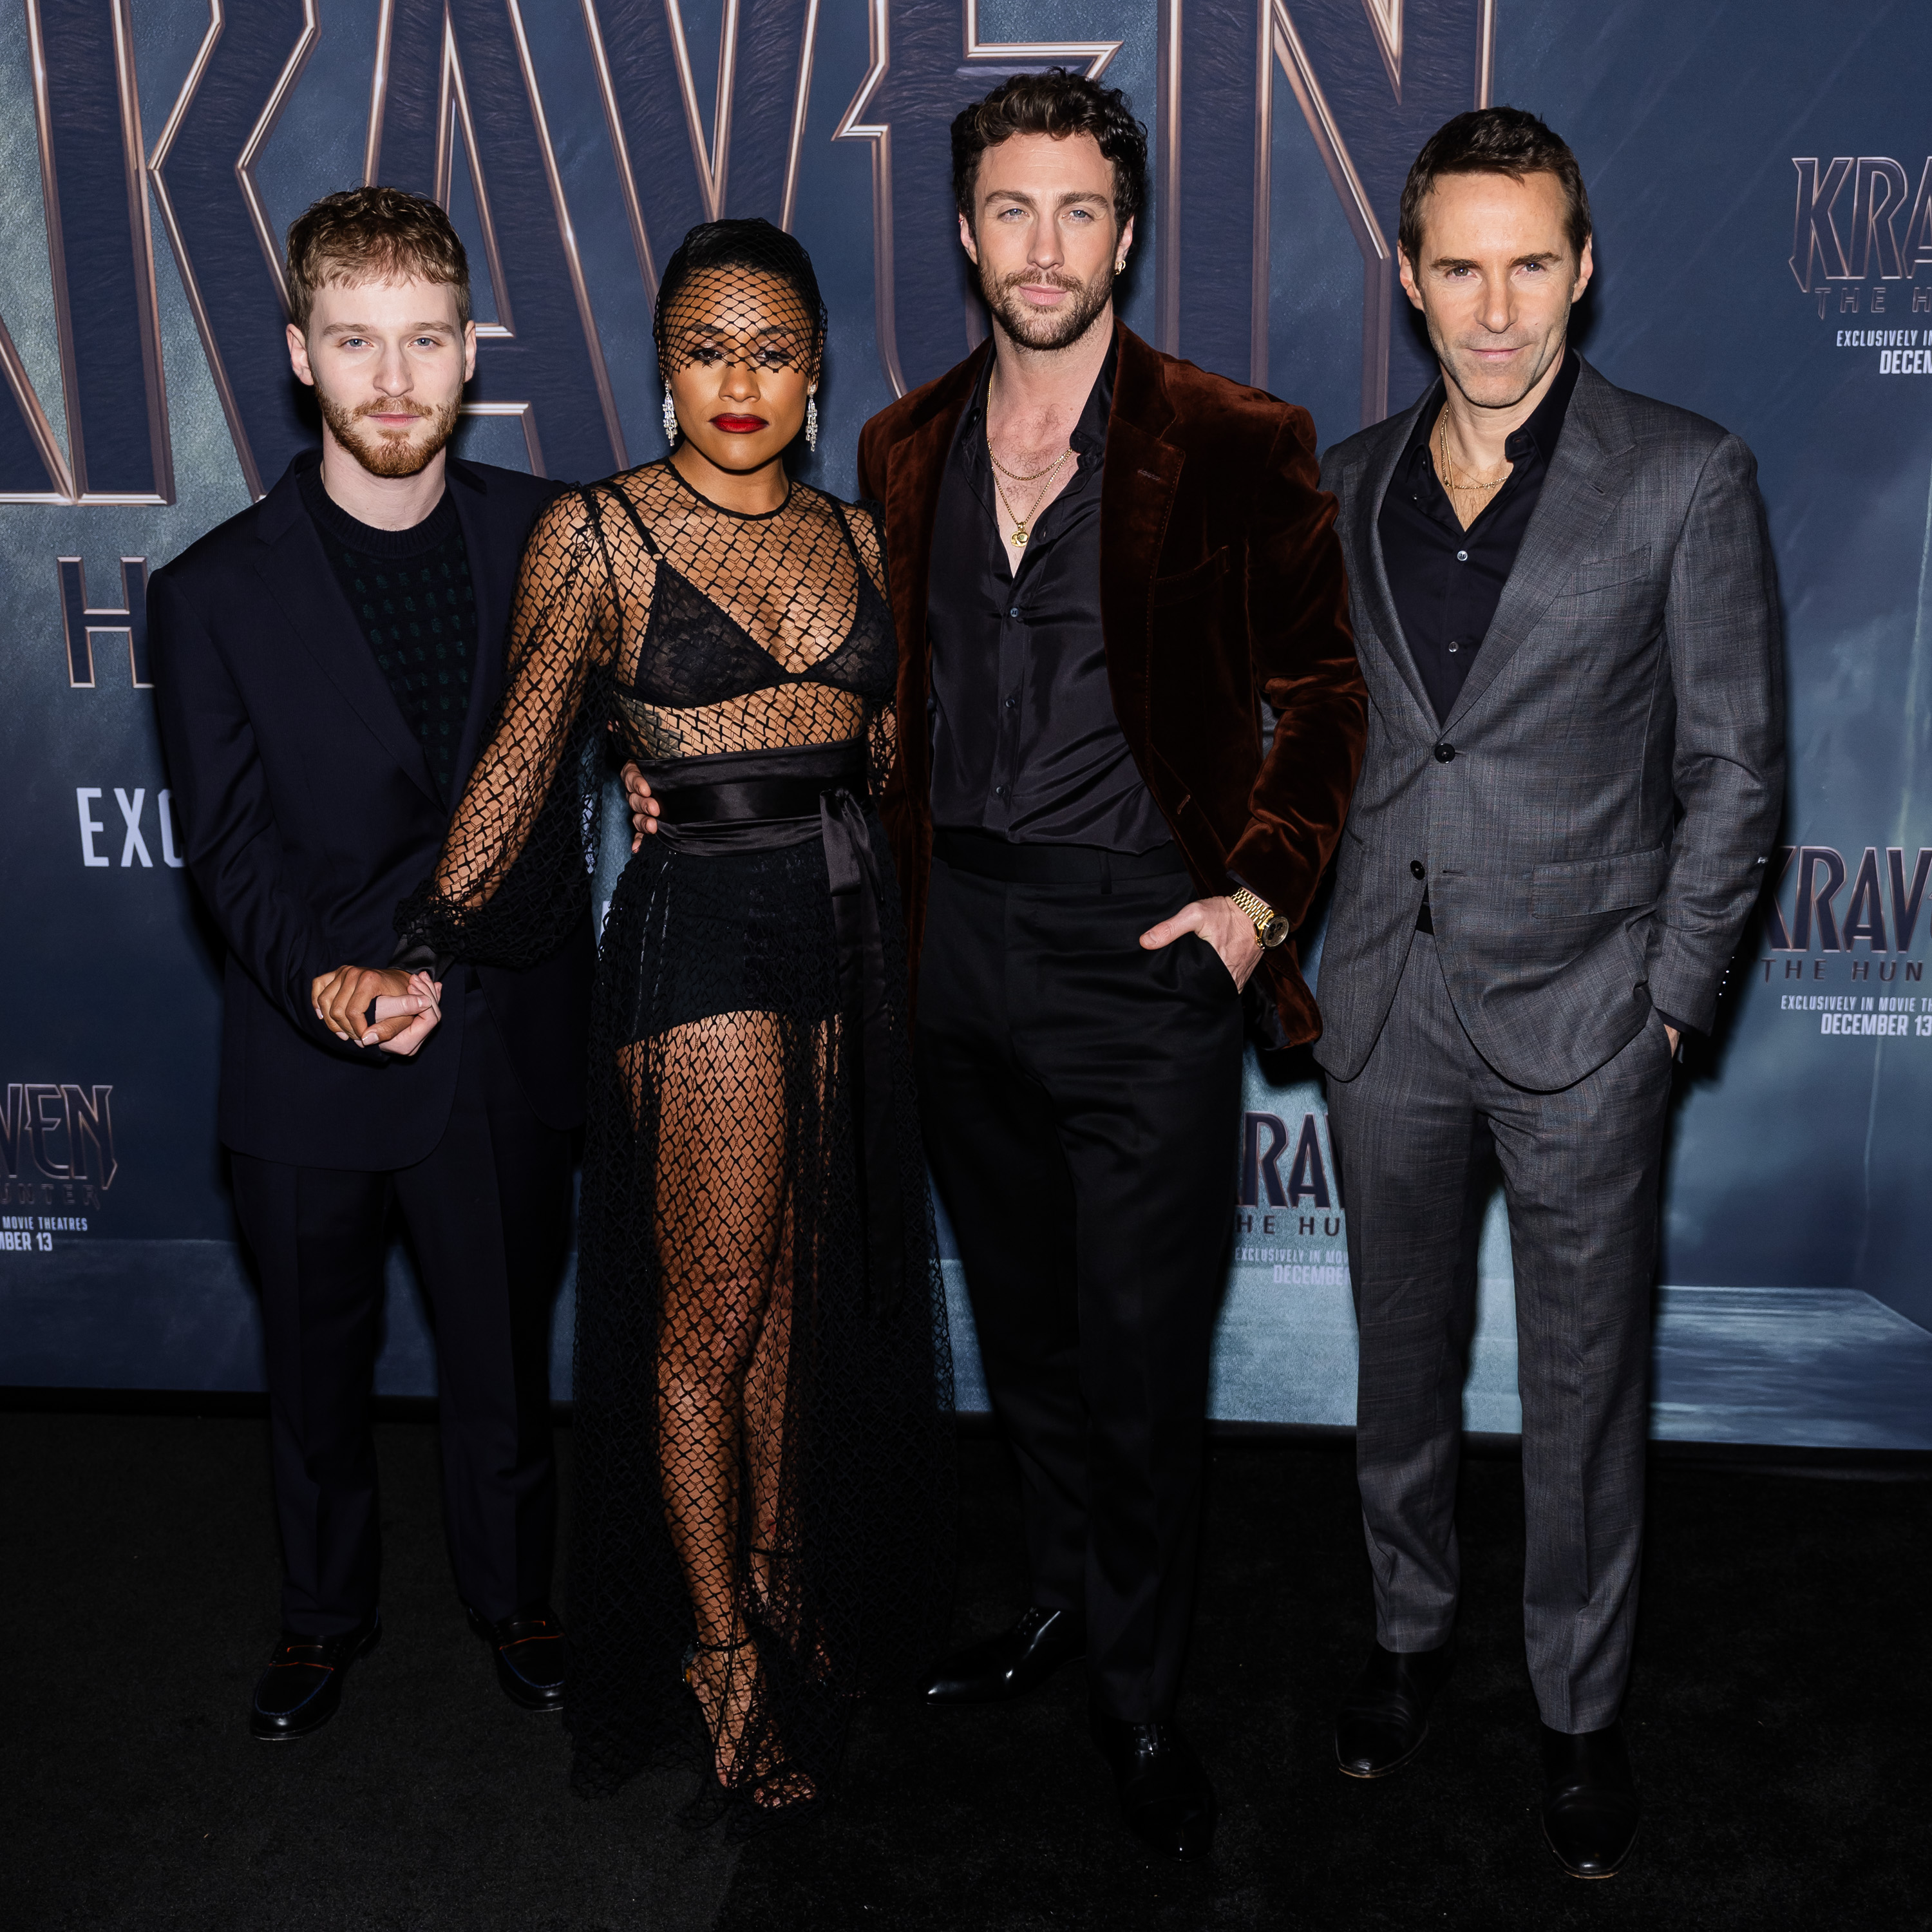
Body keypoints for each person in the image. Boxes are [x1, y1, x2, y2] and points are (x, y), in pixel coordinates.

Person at [850, 71, 1365, 1861]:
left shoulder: (1236, 439)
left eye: (1080, 210)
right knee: (1035, 1330)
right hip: (954, 945)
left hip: (1145, 949)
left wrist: (1255, 907)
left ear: (1128, 234)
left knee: (1143, 1355)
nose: (1045, 245)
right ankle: (1066, 1593)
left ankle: (1142, 1701)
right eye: (1011, 210)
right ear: (966, 232)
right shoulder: (901, 447)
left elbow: (1327, 696)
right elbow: (880, 709)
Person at [388, 217, 954, 1829]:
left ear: (817, 368)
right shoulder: (600, 537)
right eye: (706, 350)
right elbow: (518, 758)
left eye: (772, 351)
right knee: (704, 1321)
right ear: (661, 365)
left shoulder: (859, 535)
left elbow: (891, 754)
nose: (739, 382)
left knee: (792, 1302)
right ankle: (712, 1653)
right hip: (698, 932)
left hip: (840, 929)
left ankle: (776, 1594)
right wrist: (429, 932)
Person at [1313, 108, 1784, 1879]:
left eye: (1531, 263)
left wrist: (1668, 1002)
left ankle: (1580, 1717)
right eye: (1459, 266)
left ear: (1582, 270)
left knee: (1582, 1394)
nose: (1494, 306)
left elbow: (1736, 766)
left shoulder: (1684, 475)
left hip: (1590, 1016)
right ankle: (1407, 1638)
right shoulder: (1345, 478)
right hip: (1386, 1007)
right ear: (1412, 278)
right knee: (1400, 1364)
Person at [149, 187, 592, 1742]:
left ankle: (516, 1599)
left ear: (469, 353)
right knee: (314, 1376)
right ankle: (324, 1618)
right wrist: (324, 988)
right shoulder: (209, 595)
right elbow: (228, 848)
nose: (392, 380)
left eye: (422, 342)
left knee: (504, 1368)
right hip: (308, 1051)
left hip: (505, 1043)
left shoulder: (554, 536)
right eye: (355, 343)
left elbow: (632, 724)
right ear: (300, 355)